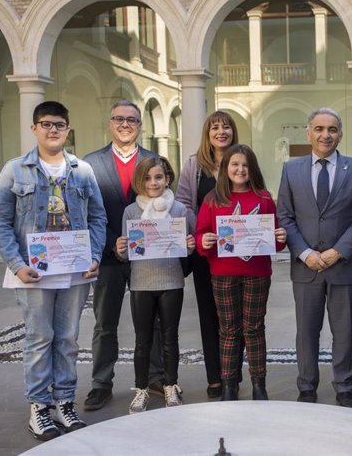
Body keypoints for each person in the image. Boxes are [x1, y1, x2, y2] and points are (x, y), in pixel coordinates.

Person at [0, 101, 106, 440]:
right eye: (45, 124)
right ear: (34, 129)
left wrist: (94, 255)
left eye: (58, 125)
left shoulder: (82, 170)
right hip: (33, 272)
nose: (52, 130)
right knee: (39, 338)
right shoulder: (15, 170)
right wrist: (17, 264)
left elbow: (98, 217)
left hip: (74, 271)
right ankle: (39, 409)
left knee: (68, 339)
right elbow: (0, 221)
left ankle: (65, 402)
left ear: (67, 130)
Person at [277, 108, 352, 408]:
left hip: (343, 265)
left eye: (332, 129)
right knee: (307, 331)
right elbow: (285, 215)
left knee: (344, 330)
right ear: (308, 133)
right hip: (305, 267)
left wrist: (337, 251)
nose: (325, 135)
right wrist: (305, 253)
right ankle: (306, 386)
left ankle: (345, 387)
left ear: (340, 134)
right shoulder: (291, 170)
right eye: (319, 129)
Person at [84, 100, 162, 411]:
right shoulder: (90, 163)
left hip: (147, 257)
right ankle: (101, 383)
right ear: (110, 123)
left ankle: (156, 376)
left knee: (153, 320)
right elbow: (87, 212)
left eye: (131, 119)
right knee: (105, 322)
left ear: (140, 125)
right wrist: (107, 244)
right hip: (107, 257)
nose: (125, 124)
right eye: (119, 118)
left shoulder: (153, 160)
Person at [196, 145, 287, 401]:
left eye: (245, 165)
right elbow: (201, 233)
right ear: (225, 169)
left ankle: (259, 383)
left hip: (257, 272)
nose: (240, 169)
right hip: (223, 273)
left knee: (254, 328)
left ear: (253, 169)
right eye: (234, 164)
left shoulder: (264, 198)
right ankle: (229, 385)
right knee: (228, 330)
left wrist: (281, 238)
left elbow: (275, 238)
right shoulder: (213, 199)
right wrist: (204, 241)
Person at [116, 157, 195, 413]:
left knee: (170, 337)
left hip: (171, 281)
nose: (153, 182)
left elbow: (188, 249)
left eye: (158, 177)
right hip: (141, 284)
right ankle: (141, 389)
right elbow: (127, 253)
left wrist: (190, 247)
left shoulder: (180, 210)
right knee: (142, 340)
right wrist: (120, 250)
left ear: (167, 178)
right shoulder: (131, 211)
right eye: (148, 178)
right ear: (140, 181)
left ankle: (171, 385)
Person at [176, 110, 244, 398]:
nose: (221, 132)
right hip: (207, 252)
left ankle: (234, 375)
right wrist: (201, 232)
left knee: (235, 317)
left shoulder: (242, 161)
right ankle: (215, 377)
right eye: (215, 127)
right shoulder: (195, 165)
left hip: (237, 253)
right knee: (210, 315)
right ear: (207, 133)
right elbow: (183, 202)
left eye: (226, 127)